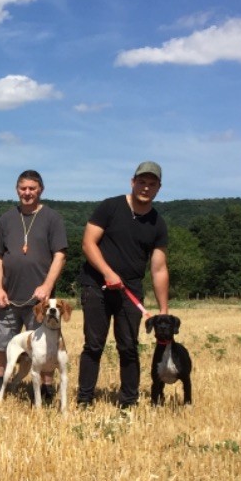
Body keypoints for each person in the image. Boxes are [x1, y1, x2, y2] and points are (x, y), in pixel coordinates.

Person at [77, 160, 170, 409]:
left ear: (159, 188)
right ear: (133, 182)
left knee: (128, 346)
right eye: (142, 182)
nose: (146, 188)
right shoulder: (110, 207)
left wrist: (164, 309)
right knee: (93, 345)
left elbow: (159, 268)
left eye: (152, 184)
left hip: (131, 290)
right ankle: (84, 399)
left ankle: (128, 402)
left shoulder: (158, 223)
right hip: (97, 284)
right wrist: (107, 272)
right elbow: (88, 243)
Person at [0, 170, 67, 397]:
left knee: (45, 347)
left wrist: (47, 286)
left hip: (39, 300)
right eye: (23, 188)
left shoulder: (52, 218)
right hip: (8, 296)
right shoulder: (7, 218)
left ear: (41, 189)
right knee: (0, 344)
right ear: (17, 189)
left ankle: (45, 389)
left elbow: (60, 255)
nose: (27, 193)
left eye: (32, 188)